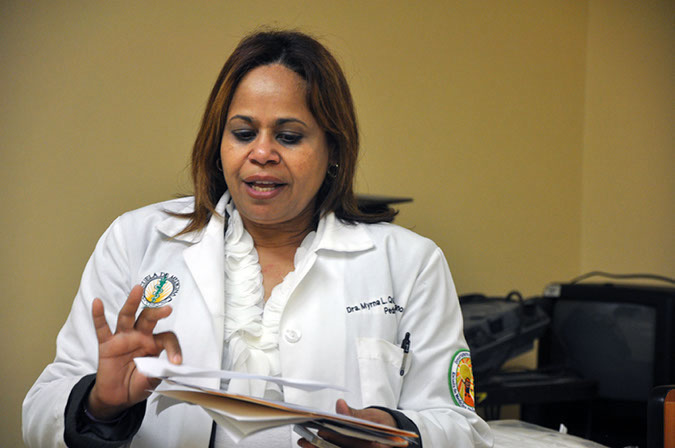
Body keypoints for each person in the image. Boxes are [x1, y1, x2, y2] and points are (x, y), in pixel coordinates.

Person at [22, 30, 493, 448]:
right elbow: (41, 411)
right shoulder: (137, 240)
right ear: (218, 143)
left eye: (288, 136)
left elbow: (463, 428)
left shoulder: (410, 263)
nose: (261, 152)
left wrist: (397, 433)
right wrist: (100, 404)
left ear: (333, 149)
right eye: (243, 132)